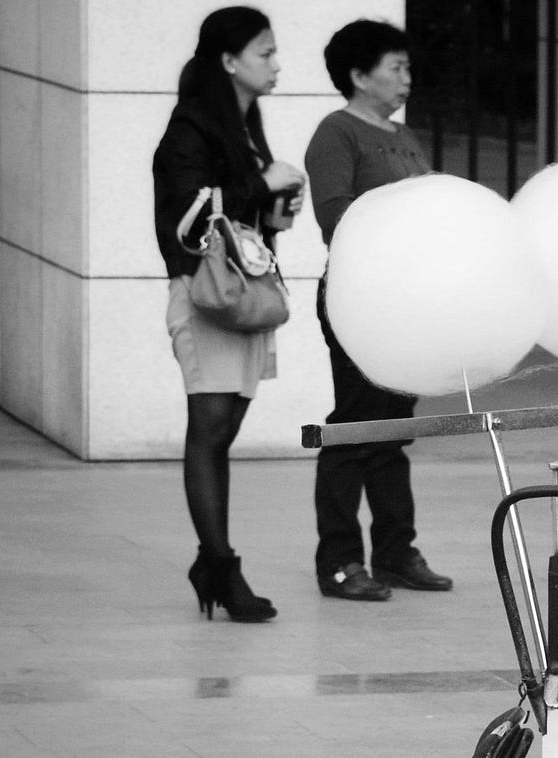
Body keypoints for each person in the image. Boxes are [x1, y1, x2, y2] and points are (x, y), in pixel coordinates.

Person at [153, 6, 305, 622]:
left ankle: (213, 563)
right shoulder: (190, 127)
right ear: (229, 60)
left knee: (222, 431)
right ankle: (218, 565)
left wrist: (275, 206)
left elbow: (243, 210)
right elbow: (187, 219)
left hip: (240, 295)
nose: (275, 64)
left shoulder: (245, 121)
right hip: (206, 297)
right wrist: (262, 184)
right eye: (265, 53)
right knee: (209, 431)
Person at [304, 19, 452, 602]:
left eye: (407, 67)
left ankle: (395, 552)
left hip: (404, 304)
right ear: (359, 74)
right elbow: (335, 217)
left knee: (393, 430)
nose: (406, 78)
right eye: (396, 67)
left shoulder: (402, 134)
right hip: (357, 299)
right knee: (355, 427)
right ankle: (339, 560)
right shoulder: (335, 133)